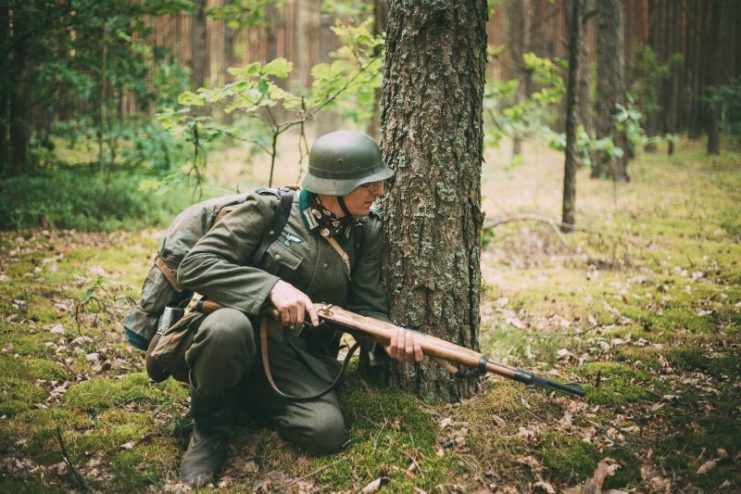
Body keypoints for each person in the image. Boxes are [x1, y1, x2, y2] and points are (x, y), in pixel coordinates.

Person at [176, 130, 423, 487]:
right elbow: (195, 264)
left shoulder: (364, 231)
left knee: (325, 432)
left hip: (299, 357)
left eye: (378, 184)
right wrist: (271, 287)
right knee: (226, 327)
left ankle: (238, 399)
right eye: (368, 185)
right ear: (334, 185)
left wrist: (385, 339)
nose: (379, 193)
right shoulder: (271, 210)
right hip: (235, 338)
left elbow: (367, 305)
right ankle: (208, 432)